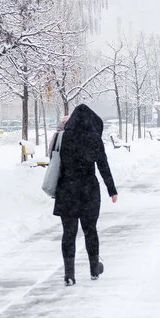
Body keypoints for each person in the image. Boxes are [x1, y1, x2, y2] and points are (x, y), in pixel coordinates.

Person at [53, 104, 118, 286]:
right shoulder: (94, 140)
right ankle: (93, 269)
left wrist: (56, 188)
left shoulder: (63, 138)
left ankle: (69, 274)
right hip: (88, 190)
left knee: (68, 234)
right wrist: (111, 189)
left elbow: (55, 163)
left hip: (66, 190)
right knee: (90, 231)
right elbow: (103, 166)